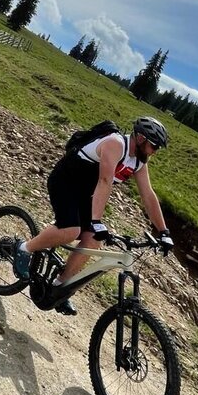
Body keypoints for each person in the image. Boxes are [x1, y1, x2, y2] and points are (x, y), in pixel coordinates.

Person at [14, 116, 175, 316]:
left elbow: (148, 195)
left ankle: (59, 289)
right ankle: (23, 249)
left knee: (92, 240)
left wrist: (164, 231)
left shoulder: (139, 162)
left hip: (85, 193)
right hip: (65, 181)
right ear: (141, 138)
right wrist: (96, 221)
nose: (155, 151)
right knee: (71, 230)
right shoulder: (115, 144)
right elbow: (105, 181)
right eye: (154, 146)